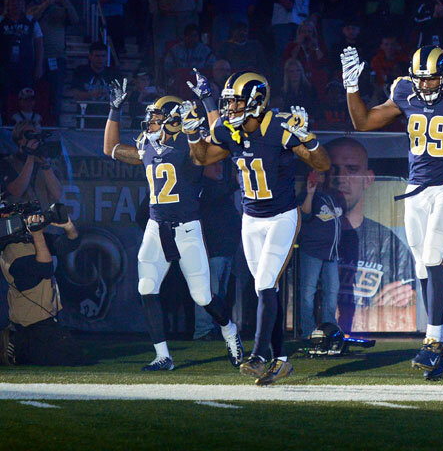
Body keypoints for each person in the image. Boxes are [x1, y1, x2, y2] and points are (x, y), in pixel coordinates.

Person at [340, 44, 443, 380]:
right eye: (420, 80)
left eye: (431, 80)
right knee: (421, 265)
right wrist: (351, 87)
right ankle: (441, 341)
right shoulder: (402, 90)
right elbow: (363, 121)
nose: (425, 86)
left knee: (432, 258)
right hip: (416, 189)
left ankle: (431, 339)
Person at [187, 70, 331, 386]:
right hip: (251, 219)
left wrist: (309, 138)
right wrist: (193, 134)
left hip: (281, 216)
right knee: (265, 289)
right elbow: (204, 156)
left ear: (255, 101)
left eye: (237, 102)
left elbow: (322, 164)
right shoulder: (228, 128)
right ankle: (281, 361)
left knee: (265, 284)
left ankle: (259, 354)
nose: (231, 109)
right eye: (228, 103)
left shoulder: (279, 127)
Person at [102, 83, 243, 371]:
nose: (150, 122)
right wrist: (114, 110)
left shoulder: (189, 145)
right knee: (146, 287)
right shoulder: (146, 144)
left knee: (202, 295)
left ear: (171, 119)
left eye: (156, 117)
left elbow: (222, 143)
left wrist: (207, 101)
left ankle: (230, 330)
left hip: (187, 228)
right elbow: (111, 149)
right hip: (157, 227)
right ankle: (163, 356)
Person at [325, 137, 415, 333]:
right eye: (333, 169)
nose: (341, 178)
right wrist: (373, 311)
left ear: (368, 179)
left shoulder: (391, 243)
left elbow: (408, 316)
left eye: (351, 169)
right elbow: (292, 310)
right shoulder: (307, 238)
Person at [0, 213, 83, 365]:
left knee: (72, 354)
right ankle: (15, 345)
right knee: (68, 358)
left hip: (45, 322)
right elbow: (45, 269)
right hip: (31, 326)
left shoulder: (28, 241)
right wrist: (38, 235)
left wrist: (69, 227)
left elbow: (70, 244)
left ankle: (17, 344)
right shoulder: (12, 254)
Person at [194, 159, 241, 340]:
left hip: (225, 249)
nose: (218, 168)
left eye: (220, 164)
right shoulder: (203, 187)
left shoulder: (218, 186)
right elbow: (216, 194)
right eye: (214, 165)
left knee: (218, 292)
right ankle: (203, 330)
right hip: (212, 249)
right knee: (208, 292)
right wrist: (235, 182)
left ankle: (212, 328)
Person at [297, 170, 342, 340]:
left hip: (331, 253)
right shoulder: (306, 196)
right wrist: (310, 193)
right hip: (312, 251)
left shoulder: (330, 197)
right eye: (316, 175)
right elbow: (305, 214)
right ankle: (308, 331)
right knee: (308, 292)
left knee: (332, 290)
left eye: (323, 175)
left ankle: (329, 328)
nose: (320, 178)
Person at [28, 0, 77, 120]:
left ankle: (54, 124)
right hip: (38, 57)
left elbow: (75, 19)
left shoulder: (60, 10)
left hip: (57, 57)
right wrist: (46, 4)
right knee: (37, 92)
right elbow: (31, 20)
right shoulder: (33, 9)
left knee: (55, 93)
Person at [1, 121, 62, 207]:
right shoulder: (7, 163)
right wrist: (30, 156)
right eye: (30, 135)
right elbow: (16, 191)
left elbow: (57, 194)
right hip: (20, 217)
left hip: (44, 217)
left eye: (37, 135)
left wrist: (46, 166)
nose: (35, 138)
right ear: (19, 139)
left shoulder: (49, 162)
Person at [0, 0, 43, 97]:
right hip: (5, 68)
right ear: (7, 4)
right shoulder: (1, 21)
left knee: (26, 98)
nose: (16, 4)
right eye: (13, 1)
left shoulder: (31, 21)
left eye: (19, 1)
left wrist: (38, 67)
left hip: (26, 68)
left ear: (23, 3)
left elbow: (39, 45)